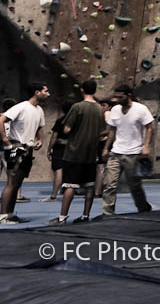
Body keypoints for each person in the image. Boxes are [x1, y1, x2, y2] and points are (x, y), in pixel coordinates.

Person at [46, 80, 105, 225]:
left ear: (82, 89)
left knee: (70, 185)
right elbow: (102, 131)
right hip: (91, 153)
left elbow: (66, 129)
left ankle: (62, 217)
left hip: (74, 152)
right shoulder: (99, 109)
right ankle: (85, 216)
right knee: (89, 185)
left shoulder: (77, 107)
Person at [0, 83, 50, 223]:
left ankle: (10, 214)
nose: (48, 94)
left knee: (17, 183)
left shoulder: (39, 110)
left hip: (28, 148)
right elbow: (2, 119)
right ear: (37, 92)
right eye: (46, 91)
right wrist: (6, 141)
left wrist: (40, 139)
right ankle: (2, 216)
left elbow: (40, 126)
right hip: (16, 147)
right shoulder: (21, 107)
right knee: (11, 182)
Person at [101, 84, 153, 215]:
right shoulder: (115, 110)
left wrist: (146, 146)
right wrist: (106, 148)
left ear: (128, 95)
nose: (117, 100)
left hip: (133, 153)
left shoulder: (141, 109)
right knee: (109, 184)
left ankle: (143, 208)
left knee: (134, 185)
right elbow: (112, 130)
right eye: (115, 97)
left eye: (120, 97)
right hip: (116, 151)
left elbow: (149, 127)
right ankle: (107, 213)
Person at [41, 100, 74, 202]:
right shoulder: (77, 121)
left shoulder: (60, 121)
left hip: (60, 148)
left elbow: (54, 137)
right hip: (73, 148)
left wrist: (49, 149)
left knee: (58, 170)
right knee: (70, 170)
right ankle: (68, 192)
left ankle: (53, 196)